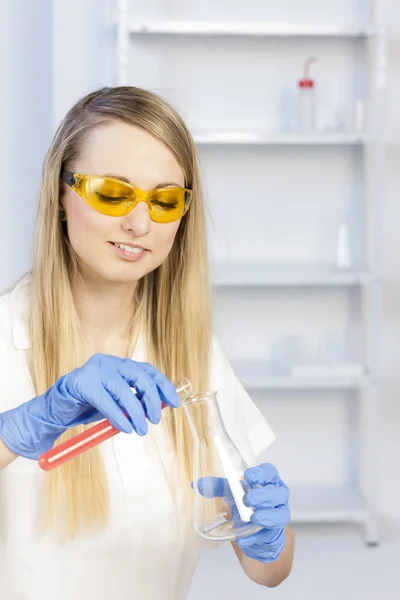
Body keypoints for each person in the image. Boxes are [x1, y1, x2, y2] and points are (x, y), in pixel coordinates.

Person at [0, 86, 294, 600]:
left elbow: (268, 571)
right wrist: (25, 425)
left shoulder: (188, 348)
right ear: (60, 196)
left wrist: (265, 534)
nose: (140, 224)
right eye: (113, 193)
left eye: (164, 201)